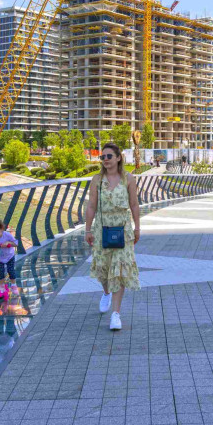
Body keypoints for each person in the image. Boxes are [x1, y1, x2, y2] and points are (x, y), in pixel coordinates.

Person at [85, 142, 140, 331]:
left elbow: (134, 204)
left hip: (123, 228)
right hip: (102, 227)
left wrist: (137, 227)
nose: (105, 160)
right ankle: (106, 292)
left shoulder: (128, 179)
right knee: (103, 268)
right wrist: (87, 229)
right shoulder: (97, 180)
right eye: (103, 157)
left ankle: (116, 314)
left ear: (118, 158)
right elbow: (91, 206)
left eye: (109, 156)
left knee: (119, 269)